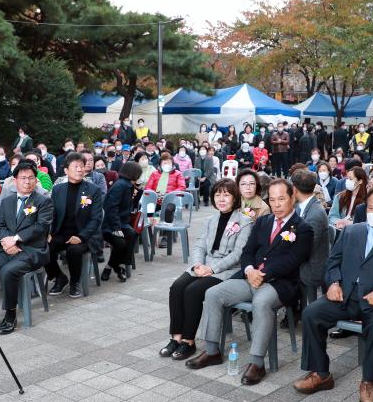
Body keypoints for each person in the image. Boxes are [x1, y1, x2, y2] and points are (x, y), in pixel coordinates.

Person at [296, 186, 373, 402]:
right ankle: (320, 373)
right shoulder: (353, 231)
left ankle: (369, 380)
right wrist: (333, 283)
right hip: (347, 295)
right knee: (311, 313)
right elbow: (333, 261)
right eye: (371, 207)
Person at [187, 179, 314, 385]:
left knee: (261, 302)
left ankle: (257, 363)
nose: (276, 204)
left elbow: (294, 260)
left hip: (279, 283)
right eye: (272, 200)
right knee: (213, 293)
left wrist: (264, 274)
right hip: (249, 277)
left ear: (292, 197)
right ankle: (211, 351)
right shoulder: (262, 222)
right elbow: (247, 252)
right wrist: (248, 270)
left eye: (281, 199)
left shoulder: (303, 228)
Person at [161, 179, 254, 361]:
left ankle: (188, 341)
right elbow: (200, 245)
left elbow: (237, 255)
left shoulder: (245, 222)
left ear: (235, 198)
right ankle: (176, 338)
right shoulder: (211, 219)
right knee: (177, 287)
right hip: (203, 265)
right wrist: (197, 265)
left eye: (226, 195)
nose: (221, 199)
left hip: (225, 270)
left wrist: (211, 268)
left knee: (193, 291)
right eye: (218, 194)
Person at [0, 162, 54, 335]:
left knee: (8, 272)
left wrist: (15, 240)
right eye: (23, 178)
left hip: (31, 249)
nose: (27, 182)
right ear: (14, 180)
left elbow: (41, 227)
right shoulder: (8, 200)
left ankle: (10, 315)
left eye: (31, 178)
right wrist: (5, 241)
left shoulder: (43, 201)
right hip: (5, 247)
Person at [45, 152, 104, 298]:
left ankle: (75, 282)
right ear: (66, 171)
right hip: (61, 232)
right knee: (43, 247)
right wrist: (49, 232)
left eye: (82, 166)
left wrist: (81, 236)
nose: (80, 170)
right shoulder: (58, 189)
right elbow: (51, 214)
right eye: (76, 166)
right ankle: (59, 277)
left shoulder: (93, 190)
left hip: (85, 234)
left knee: (74, 250)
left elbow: (96, 219)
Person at [291, 170, 329, 305]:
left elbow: (306, 248)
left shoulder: (315, 214)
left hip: (310, 267)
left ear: (294, 189)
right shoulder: (299, 207)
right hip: (300, 261)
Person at [99, 161, 141, 282]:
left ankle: (116, 266)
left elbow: (130, 206)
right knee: (120, 242)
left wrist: (137, 192)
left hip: (122, 223)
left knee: (132, 234)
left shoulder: (129, 185)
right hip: (109, 225)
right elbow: (112, 208)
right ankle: (114, 267)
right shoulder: (120, 185)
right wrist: (117, 229)